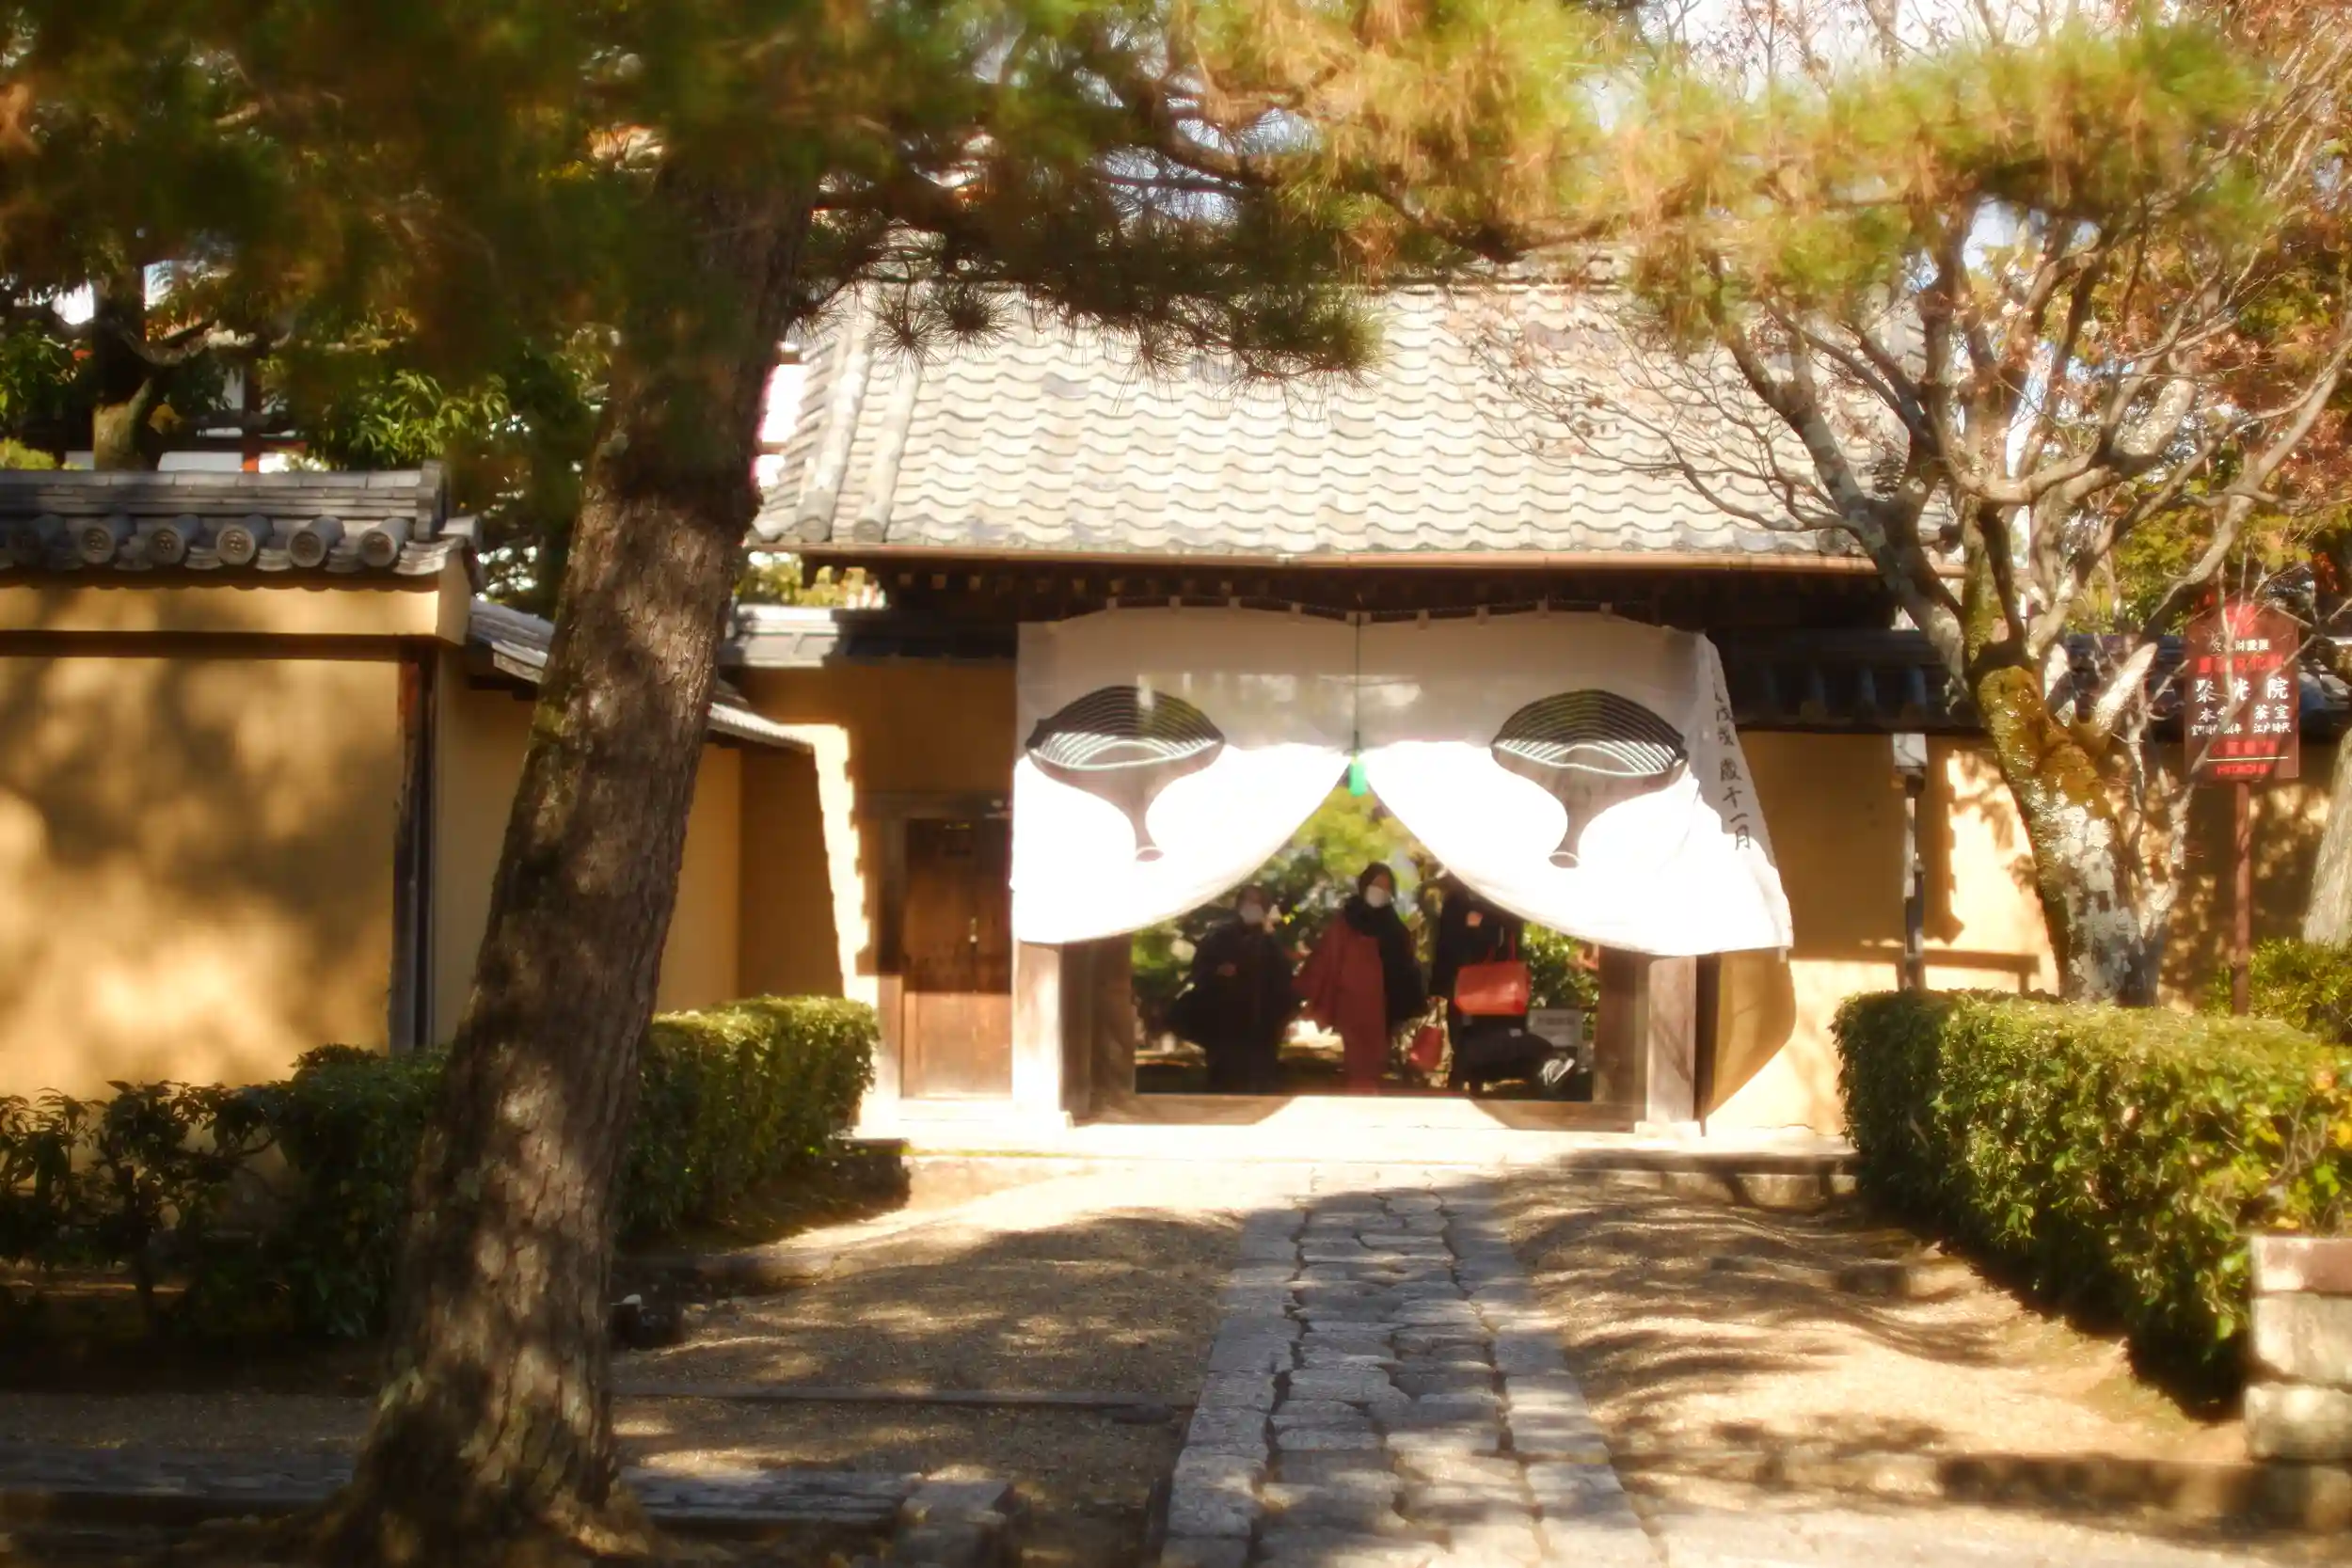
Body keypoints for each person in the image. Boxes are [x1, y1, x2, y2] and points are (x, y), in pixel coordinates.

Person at [1296, 863, 1427, 1093]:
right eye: (1376, 885)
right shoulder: (1347, 919)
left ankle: (1369, 1089)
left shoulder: (1394, 926)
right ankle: (1358, 1088)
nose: (1380, 891)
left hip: (1384, 1001)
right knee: (1356, 1052)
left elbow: (1405, 964)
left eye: (1386, 887)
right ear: (1364, 885)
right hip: (1351, 998)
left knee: (1377, 1052)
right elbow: (1328, 954)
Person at [1177, 884, 1295, 1093]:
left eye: (1257, 903)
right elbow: (1200, 969)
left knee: (1259, 1075)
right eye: (1248, 902)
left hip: (1263, 1020)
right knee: (1226, 1076)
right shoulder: (1219, 935)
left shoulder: (1272, 939)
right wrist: (1218, 971)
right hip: (1225, 1018)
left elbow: (1284, 977)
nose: (1252, 907)